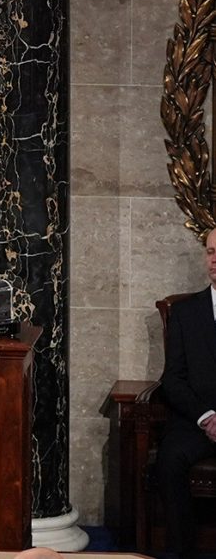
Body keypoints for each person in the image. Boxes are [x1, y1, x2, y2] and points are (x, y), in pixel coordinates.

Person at [158, 227, 216, 558]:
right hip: (196, 419)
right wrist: (206, 417)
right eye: (210, 252)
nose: (214, 259)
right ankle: (181, 552)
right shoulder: (184, 312)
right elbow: (173, 379)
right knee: (170, 458)